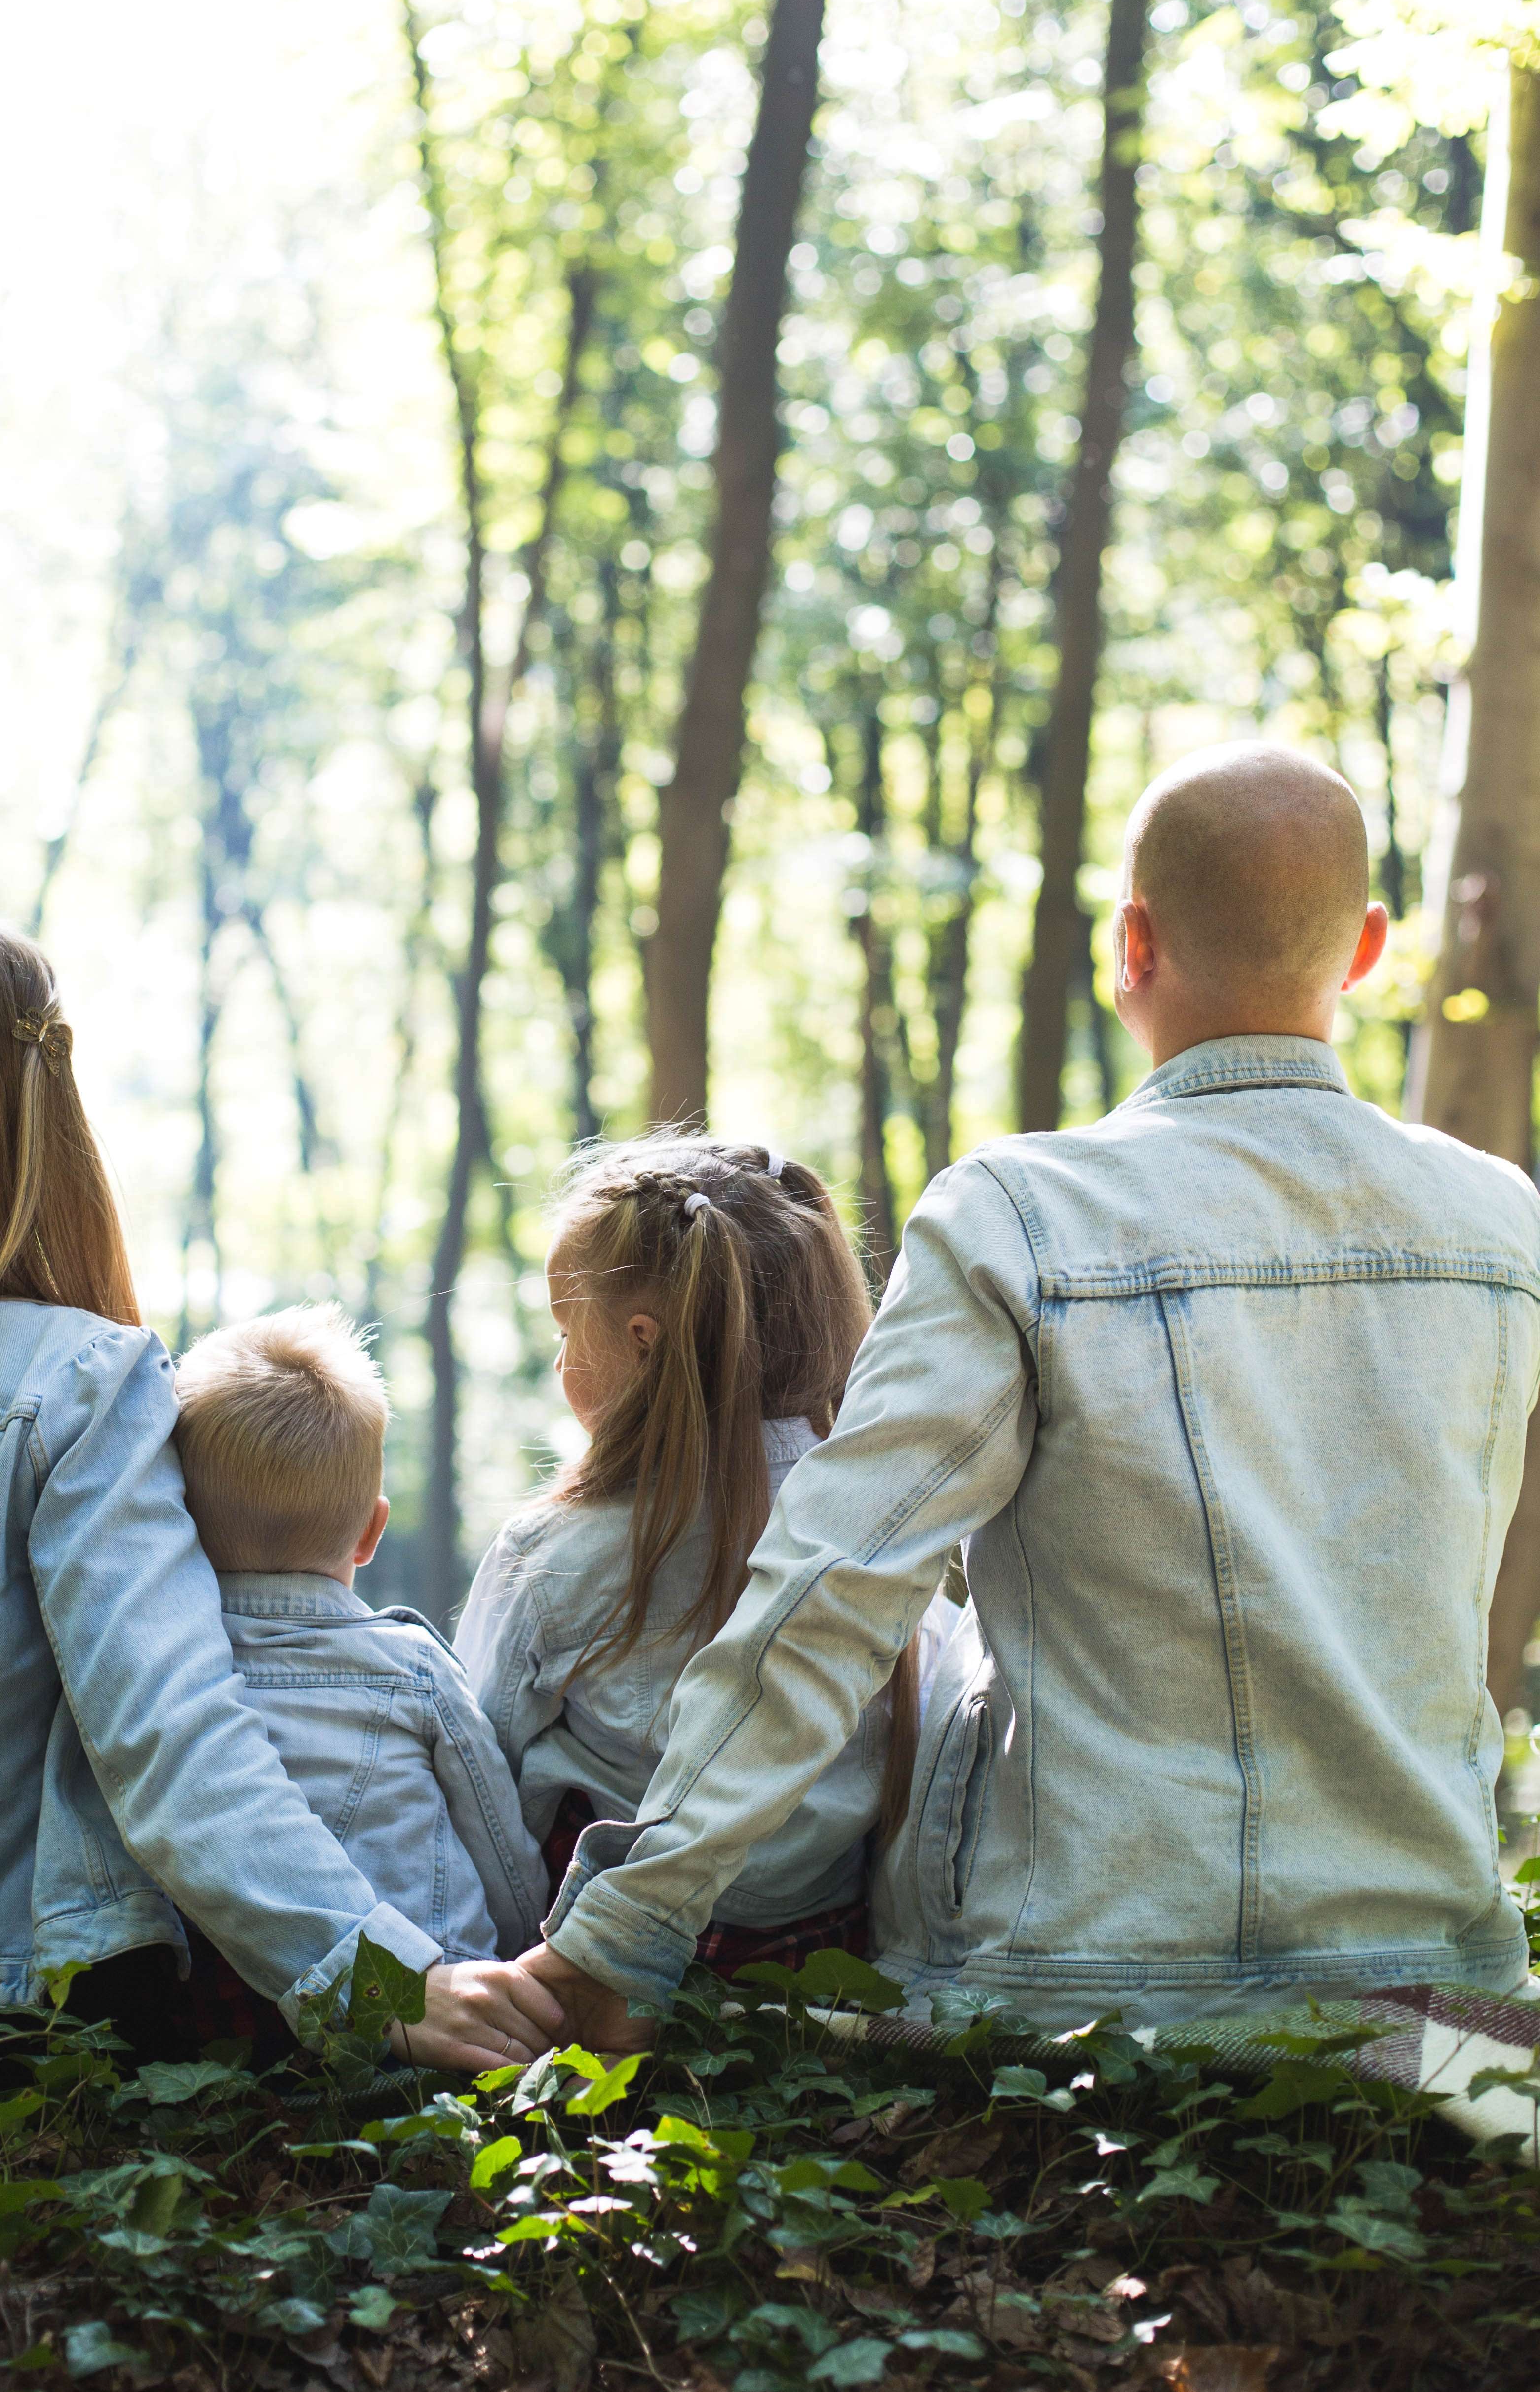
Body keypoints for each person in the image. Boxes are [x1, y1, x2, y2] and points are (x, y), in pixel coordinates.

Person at [524, 744, 1540, 2046]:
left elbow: (831, 1591)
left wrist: (624, 1934)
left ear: (1132, 943)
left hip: (1077, 1987)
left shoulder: (1021, 1217)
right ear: (1369, 952)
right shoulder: (1501, 1224)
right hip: (1436, 1994)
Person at [0, 910, 561, 2075]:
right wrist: (379, 1978)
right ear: (40, 1115)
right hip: (18, 2035)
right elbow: (171, 1736)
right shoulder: (78, 1379)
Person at [457, 1136, 961, 1973]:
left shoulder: (551, 1555)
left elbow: (481, 1777)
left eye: (566, 1330)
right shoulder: (888, 1543)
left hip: (591, 1966)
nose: (558, 1361)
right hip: (822, 1966)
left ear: (643, 1342)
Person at [171, 1306, 544, 1966]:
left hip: (232, 2014)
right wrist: (522, 1951)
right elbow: (500, 1849)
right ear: (372, 1533)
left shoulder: (162, 1673)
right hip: (433, 2001)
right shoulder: (413, 1670)